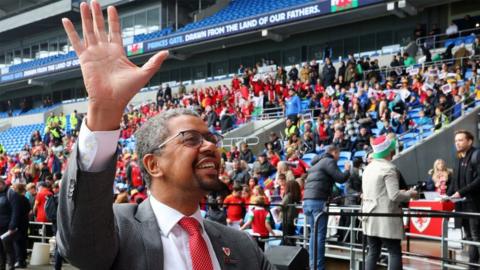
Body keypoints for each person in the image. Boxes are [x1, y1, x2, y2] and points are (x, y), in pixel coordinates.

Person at [57, 2, 274, 269]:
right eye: (191, 138)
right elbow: (82, 245)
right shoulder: (119, 229)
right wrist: (104, 111)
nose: (209, 146)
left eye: (211, 139)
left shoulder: (242, 246)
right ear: (153, 164)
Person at [362, 135, 418, 270]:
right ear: (390, 151)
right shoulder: (389, 168)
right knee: (394, 252)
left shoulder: (368, 168)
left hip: (369, 216)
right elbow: (394, 195)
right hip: (386, 216)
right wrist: (410, 193)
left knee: (373, 251)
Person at [303, 145, 351, 270]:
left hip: (307, 201)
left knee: (313, 235)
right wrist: (347, 170)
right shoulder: (329, 161)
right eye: (338, 154)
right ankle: (318, 268)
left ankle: (313, 265)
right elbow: (340, 178)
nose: (339, 157)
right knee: (319, 236)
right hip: (318, 201)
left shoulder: (316, 163)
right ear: (334, 152)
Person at [447, 130, 480, 269]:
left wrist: (460, 192)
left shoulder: (476, 155)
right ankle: (473, 265)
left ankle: (473, 266)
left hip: (475, 204)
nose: (457, 143)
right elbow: (455, 181)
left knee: (476, 236)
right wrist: (446, 196)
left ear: (470, 141)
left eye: (460, 140)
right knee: (469, 237)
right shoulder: (459, 158)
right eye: (456, 141)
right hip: (462, 205)